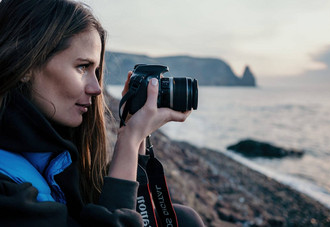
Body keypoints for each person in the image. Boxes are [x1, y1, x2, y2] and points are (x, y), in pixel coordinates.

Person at [0, 0, 205, 226]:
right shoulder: (6, 187)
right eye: (82, 67)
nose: (97, 89)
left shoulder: (52, 148)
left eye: (95, 71)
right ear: (26, 65)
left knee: (184, 220)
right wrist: (129, 139)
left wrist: (133, 132)